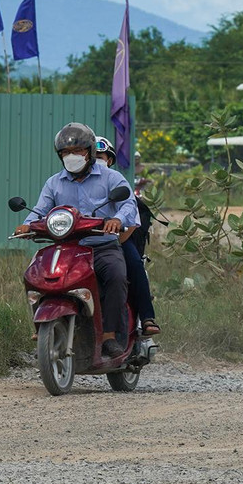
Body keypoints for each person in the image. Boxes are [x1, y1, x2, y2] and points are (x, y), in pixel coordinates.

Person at [15, 123, 138, 358]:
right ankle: (43, 325)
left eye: (78, 151)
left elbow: (128, 204)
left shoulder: (112, 177)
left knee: (116, 275)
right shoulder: (54, 183)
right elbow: (41, 209)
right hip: (68, 247)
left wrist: (117, 219)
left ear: (90, 152)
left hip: (102, 246)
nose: (72, 157)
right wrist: (27, 224)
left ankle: (110, 336)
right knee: (34, 275)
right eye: (65, 153)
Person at [96, 136, 160, 337]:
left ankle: (147, 317)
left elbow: (131, 219)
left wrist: (116, 239)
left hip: (118, 239)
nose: (97, 159)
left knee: (134, 264)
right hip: (83, 241)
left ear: (110, 160)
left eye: (101, 155)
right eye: (93, 155)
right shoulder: (74, 181)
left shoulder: (116, 181)